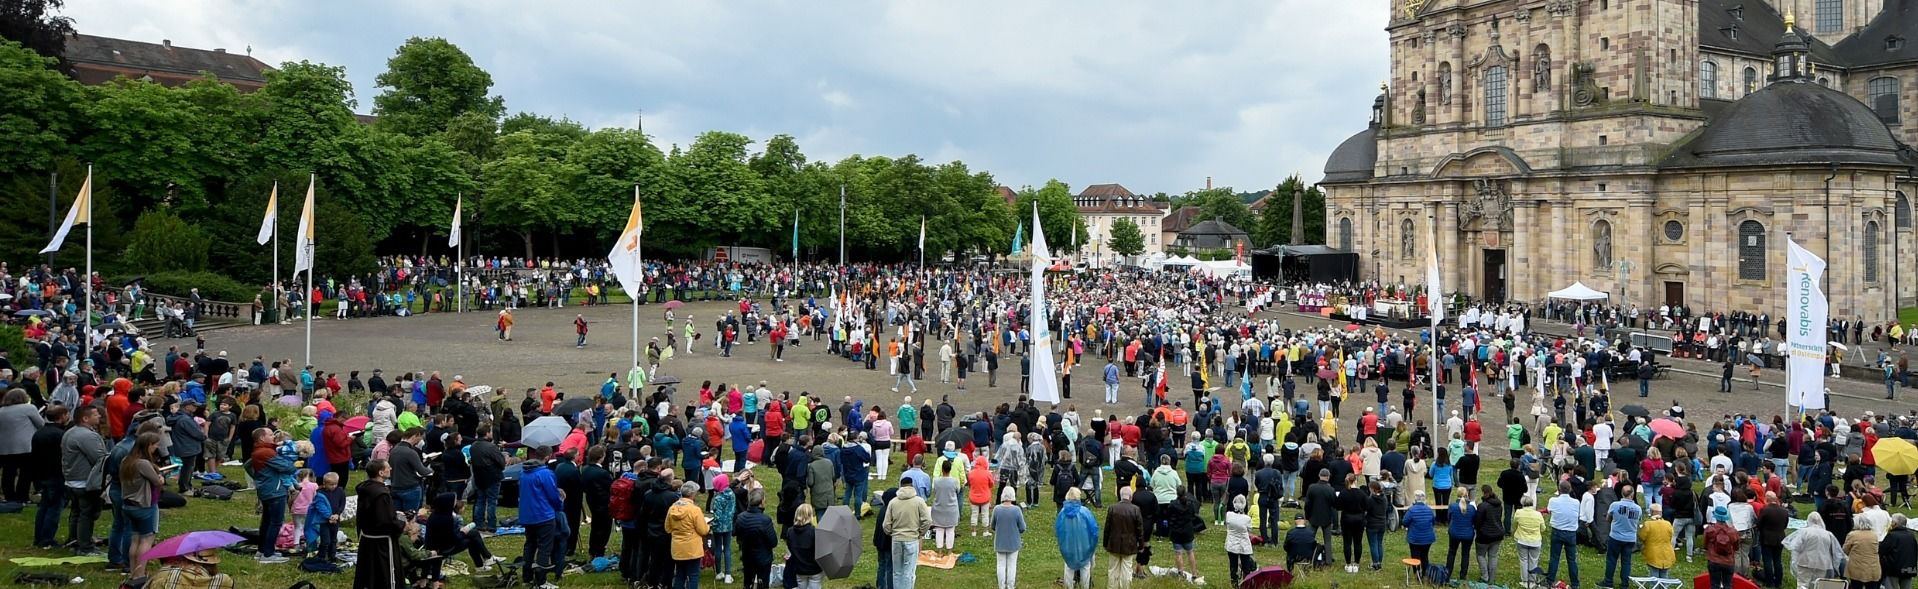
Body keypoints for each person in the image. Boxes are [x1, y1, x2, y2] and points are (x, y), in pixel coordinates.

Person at [354, 459, 408, 589]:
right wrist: (402, 524)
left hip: (367, 537)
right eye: (388, 467)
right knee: (385, 574)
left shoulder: (366, 488)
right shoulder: (381, 494)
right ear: (381, 472)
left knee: (369, 572)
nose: (391, 469)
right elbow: (385, 521)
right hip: (382, 541)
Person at [61, 404, 107, 556]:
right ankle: (85, 546)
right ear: (85, 418)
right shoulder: (86, 436)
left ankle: (74, 540)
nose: (99, 416)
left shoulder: (71, 432)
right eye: (95, 414)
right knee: (87, 514)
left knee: (76, 512)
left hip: (71, 480)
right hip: (84, 481)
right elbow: (100, 458)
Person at [120, 433, 164, 581]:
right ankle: (140, 574)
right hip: (144, 506)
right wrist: (161, 478)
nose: (156, 447)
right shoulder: (142, 463)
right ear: (148, 445)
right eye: (155, 445)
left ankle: (133, 572)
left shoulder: (127, 461)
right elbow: (157, 482)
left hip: (128, 505)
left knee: (135, 540)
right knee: (146, 540)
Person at [518, 447, 564, 589]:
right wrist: (560, 505)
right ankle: (541, 581)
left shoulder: (523, 472)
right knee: (544, 548)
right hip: (543, 515)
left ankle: (527, 577)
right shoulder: (545, 473)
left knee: (530, 545)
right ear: (547, 457)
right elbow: (552, 495)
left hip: (527, 514)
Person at [884, 480, 931, 589]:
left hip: (896, 539)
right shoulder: (919, 501)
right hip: (912, 539)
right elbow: (927, 520)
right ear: (912, 486)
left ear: (900, 486)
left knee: (897, 571)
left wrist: (892, 533)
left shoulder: (893, 502)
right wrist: (920, 533)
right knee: (909, 572)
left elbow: (886, 524)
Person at [1785, 512, 1845, 589]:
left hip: (1804, 562)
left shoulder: (1804, 532)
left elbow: (1796, 547)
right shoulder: (1828, 534)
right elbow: (1835, 551)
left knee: (1802, 584)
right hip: (1822, 564)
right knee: (1818, 585)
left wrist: (1794, 561)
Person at [668, 481, 710, 589]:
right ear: (692, 494)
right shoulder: (695, 510)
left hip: (677, 547)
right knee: (693, 575)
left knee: (679, 574)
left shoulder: (672, 508)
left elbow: (667, 528)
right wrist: (708, 526)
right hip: (692, 548)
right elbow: (703, 530)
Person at [1057, 487, 1100, 589]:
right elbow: (1094, 530)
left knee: (1068, 567)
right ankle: (1085, 586)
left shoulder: (1062, 513)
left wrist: (1062, 544)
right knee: (1085, 567)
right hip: (1084, 546)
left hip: (1068, 546)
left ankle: (1068, 586)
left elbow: (1059, 531)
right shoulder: (1085, 512)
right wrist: (1092, 545)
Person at [1103, 487, 1146, 589]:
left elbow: (1107, 528)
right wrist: (1141, 545)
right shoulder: (1135, 509)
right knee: (1127, 569)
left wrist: (1105, 543)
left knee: (1113, 569)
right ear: (1130, 497)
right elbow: (1140, 530)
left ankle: (1112, 587)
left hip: (1114, 543)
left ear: (1120, 495)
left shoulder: (1112, 508)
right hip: (1129, 545)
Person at [735, 489, 778, 589]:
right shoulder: (765, 520)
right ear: (762, 501)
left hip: (747, 556)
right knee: (762, 584)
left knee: (748, 583)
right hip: (763, 558)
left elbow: (736, 533)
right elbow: (773, 542)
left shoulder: (741, 517)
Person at [1603, 484, 1643, 588]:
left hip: (1616, 536)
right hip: (1630, 538)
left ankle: (1608, 582)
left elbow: (1608, 518)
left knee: (1611, 559)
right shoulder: (1638, 508)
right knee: (1626, 561)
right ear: (1632, 494)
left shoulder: (1614, 505)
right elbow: (1639, 521)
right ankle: (1624, 584)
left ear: (1622, 493)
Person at [1547, 485, 1583, 589]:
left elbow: (1549, 510)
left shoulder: (1553, 500)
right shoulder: (1576, 502)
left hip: (1557, 531)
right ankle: (1575, 583)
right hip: (1571, 533)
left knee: (1554, 557)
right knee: (1572, 559)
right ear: (1570, 489)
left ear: (1559, 490)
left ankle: (1550, 580)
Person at [991, 487, 1026, 589]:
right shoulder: (1017, 510)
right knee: (1012, 565)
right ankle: (1010, 586)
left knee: (1000, 565)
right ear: (1013, 496)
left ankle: (1001, 586)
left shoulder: (997, 509)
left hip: (1000, 542)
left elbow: (992, 525)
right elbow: (1022, 527)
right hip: (1013, 542)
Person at [1473, 485, 1507, 584]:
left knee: (1480, 555)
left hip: (1484, 536)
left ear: (1483, 493)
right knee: (1493, 556)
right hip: (1497, 534)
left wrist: (1478, 530)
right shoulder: (1499, 505)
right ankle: (1491, 578)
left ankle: (1485, 576)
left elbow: (1477, 521)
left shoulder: (1482, 506)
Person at [785, 504, 824, 589]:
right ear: (810, 516)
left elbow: (790, 548)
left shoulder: (790, 532)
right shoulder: (814, 532)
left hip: (799, 568)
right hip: (814, 569)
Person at [1513, 494, 1545, 587]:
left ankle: (1524, 580)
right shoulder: (1538, 514)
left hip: (1522, 539)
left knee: (1523, 560)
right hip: (1535, 541)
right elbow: (1543, 528)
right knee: (1533, 561)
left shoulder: (1518, 512)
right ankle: (1532, 580)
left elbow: (1515, 524)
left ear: (1522, 503)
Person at [1224, 494, 1256, 586]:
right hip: (1244, 544)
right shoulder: (1247, 519)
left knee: (1233, 565)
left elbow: (1227, 525)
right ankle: (1246, 583)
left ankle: (1234, 583)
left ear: (1234, 504)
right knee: (1246, 566)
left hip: (1232, 543)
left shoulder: (1229, 515)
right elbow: (1249, 530)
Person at [1707, 506, 1742, 589]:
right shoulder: (1733, 531)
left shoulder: (1710, 530)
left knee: (1714, 585)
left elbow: (1705, 545)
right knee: (1728, 585)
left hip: (1714, 560)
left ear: (1715, 516)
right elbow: (1736, 547)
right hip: (1728, 561)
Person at [1882, 514, 1918, 589]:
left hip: (1893, 570)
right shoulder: (1911, 536)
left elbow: (1882, 550)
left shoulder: (1892, 536)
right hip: (1909, 569)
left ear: (1895, 524)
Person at [1403, 490, 1437, 570]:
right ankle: (1425, 572)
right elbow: (1433, 522)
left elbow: (1405, 522)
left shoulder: (1411, 510)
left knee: (1415, 556)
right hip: (1428, 538)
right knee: (1425, 555)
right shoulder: (1429, 510)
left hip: (1415, 538)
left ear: (1415, 499)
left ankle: (1417, 572)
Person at [1847, 522, 1885, 589]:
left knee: (1856, 585)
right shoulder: (1874, 535)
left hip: (1857, 568)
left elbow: (1845, 549)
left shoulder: (1853, 535)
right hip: (1873, 567)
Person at [1640, 511, 1676, 578]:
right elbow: (1671, 535)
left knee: (1654, 575)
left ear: (1651, 513)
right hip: (1667, 553)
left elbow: (1642, 537)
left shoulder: (1648, 524)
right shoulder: (1668, 524)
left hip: (1653, 554)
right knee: (1664, 574)